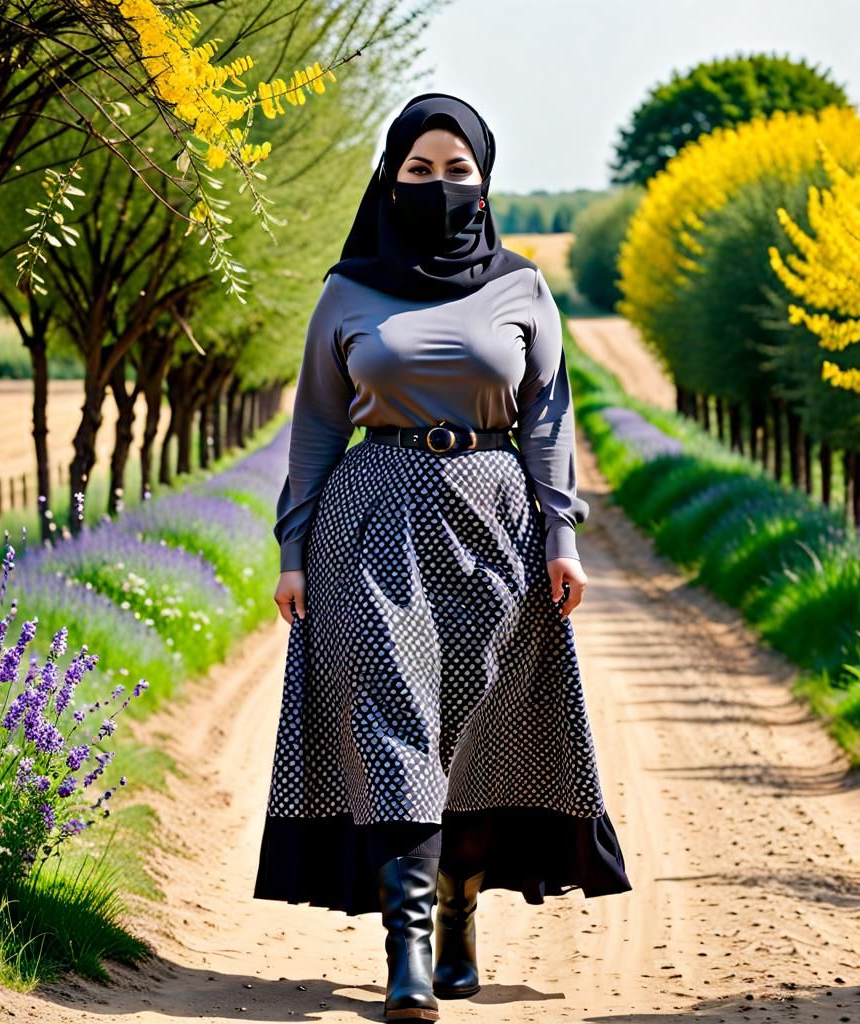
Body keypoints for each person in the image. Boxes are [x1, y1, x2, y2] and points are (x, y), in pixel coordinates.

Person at [253, 92, 631, 1021]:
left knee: (473, 727)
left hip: (493, 521)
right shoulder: (347, 290)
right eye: (418, 170)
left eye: (456, 170)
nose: (438, 185)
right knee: (392, 723)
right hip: (370, 519)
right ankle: (409, 950)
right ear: (390, 179)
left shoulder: (523, 289)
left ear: (484, 182)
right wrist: (293, 549)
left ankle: (461, 913)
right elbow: (314, 426)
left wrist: (563, 538)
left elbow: (548, 421)